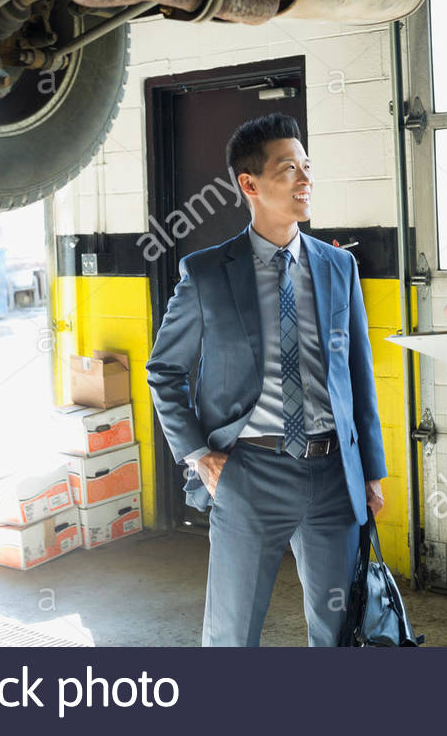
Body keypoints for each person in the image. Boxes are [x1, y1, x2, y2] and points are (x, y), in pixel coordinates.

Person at [147, 112, 387, 647]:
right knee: (232, 635)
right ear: (250, 184)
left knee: (340, 631)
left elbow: (358, 373)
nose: (305, 180)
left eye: (308, 167)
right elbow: (164, 370)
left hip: (333, 474)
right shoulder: (207, 272)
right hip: (250, 471)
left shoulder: (338, 267)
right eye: (288, 170)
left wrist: (371, 470)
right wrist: (198, 455)